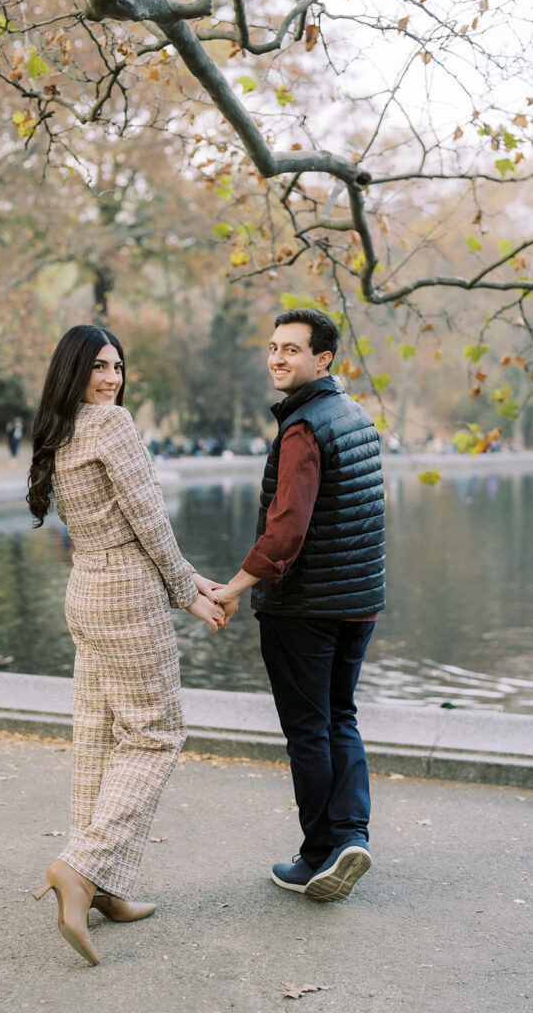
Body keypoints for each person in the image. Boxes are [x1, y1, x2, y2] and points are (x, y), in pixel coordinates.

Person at [26, 325, 235, 966]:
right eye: (98, 367)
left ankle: (105, 888)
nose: (111, 378)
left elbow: (125, 523)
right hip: (126, 596)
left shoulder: (60, 431)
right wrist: (186, 592)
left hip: (86, 591)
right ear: (74, 372)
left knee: (97, 739)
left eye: (117, 366)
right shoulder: (112, 426)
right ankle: (82, 867)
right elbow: (147, 518)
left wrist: (187, 577)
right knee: (155, 735)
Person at [212, 307, 385, 903]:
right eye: (273, 347)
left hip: (305, 607)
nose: (277, 358)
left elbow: (287, 531)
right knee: (341, 715)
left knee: (310, 729)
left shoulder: (304, 427)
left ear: (322, 360)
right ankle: (351, 835)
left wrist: (234, 586)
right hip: (358, 602)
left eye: (291, 349)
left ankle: (316, 856)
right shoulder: (356, 415)